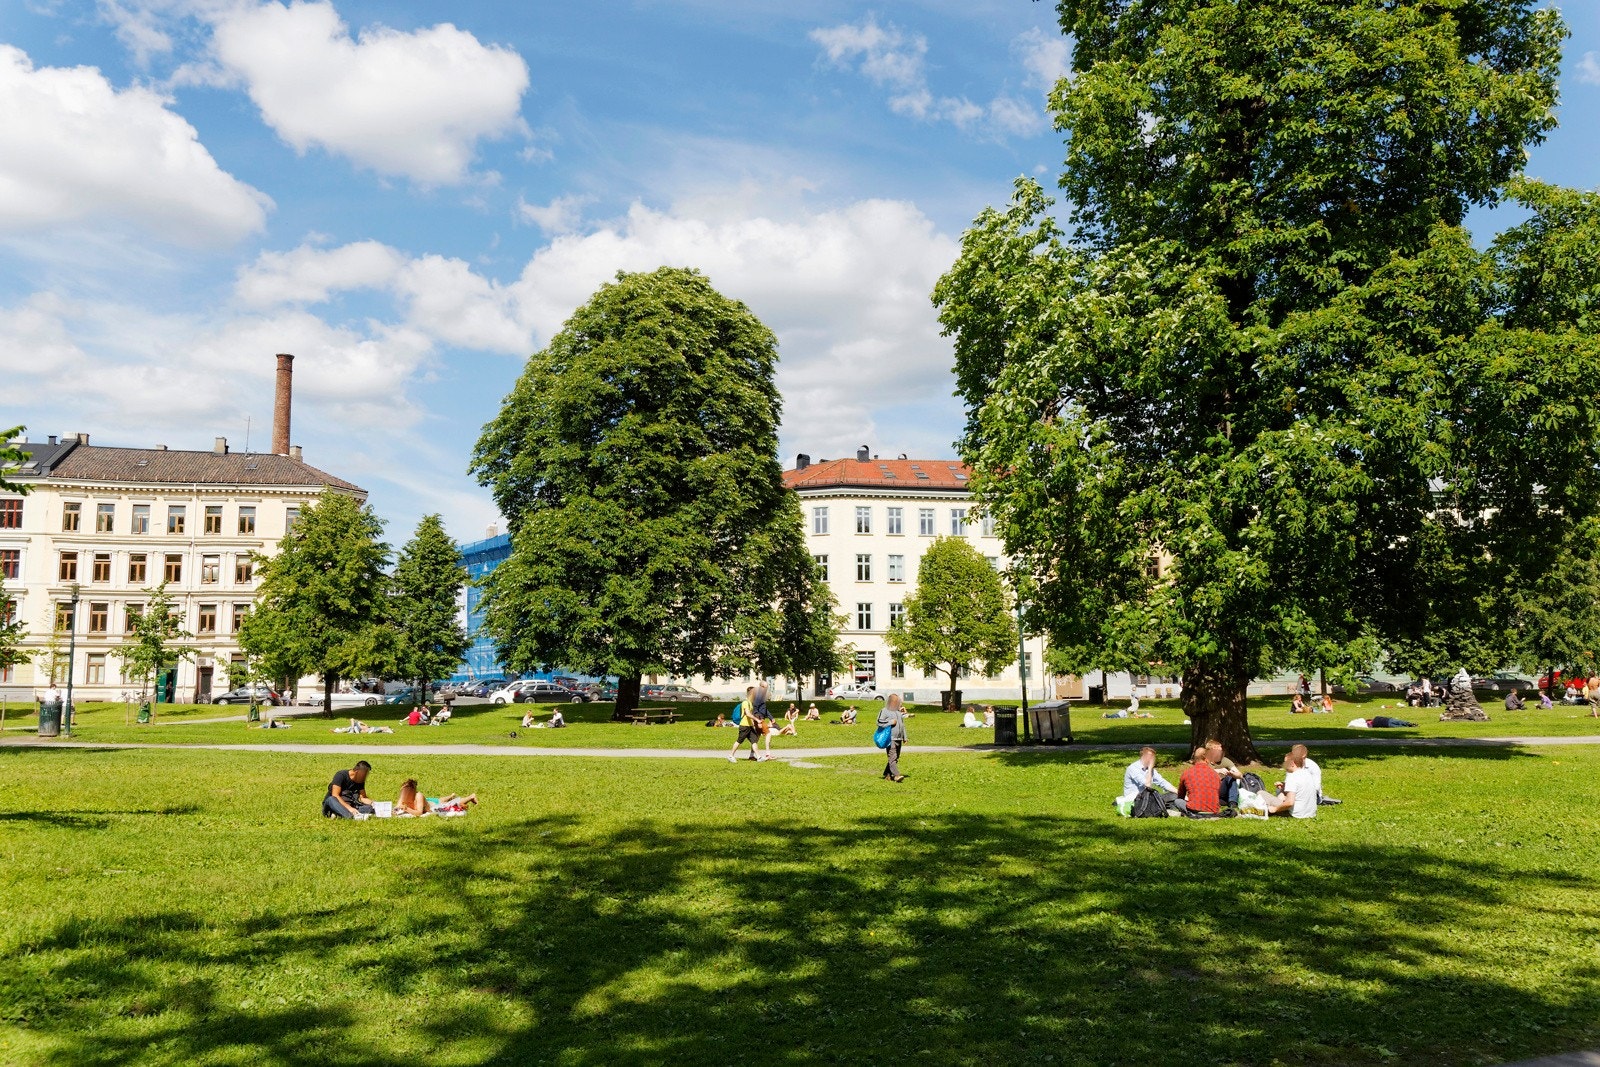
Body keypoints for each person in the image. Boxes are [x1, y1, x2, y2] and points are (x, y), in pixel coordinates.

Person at [1122, 746, 1184, 812]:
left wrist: (1181, 794)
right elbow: (1147, 785)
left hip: (1148, 798)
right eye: (1153, 758)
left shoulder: (1150, 769)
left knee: (1174, 795)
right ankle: (1165, 808)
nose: (1154, 760)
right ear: (1148, 757)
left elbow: (1163, 783)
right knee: (1165, 801)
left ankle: (1167, 808)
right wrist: (1150, 768)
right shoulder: (1133, 768)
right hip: (1135, 800)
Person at [1267, 754, 1318, 818]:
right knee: (1280, 794)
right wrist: (1284, 787)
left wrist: (1274, 809)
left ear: (1292, 763)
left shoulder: (1292, 777)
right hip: (1310, 813)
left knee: (1261, 793)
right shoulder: (1306, 773)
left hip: (1295, 814)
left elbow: (1290, 802)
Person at [1177, 747, 1222, 815]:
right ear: (1206, 759)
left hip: (1194, 809)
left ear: (1195, 759)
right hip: (1214, 810)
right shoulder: (1215, 774)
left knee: (1177, 801)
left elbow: (1181, 795)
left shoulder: (1187, 773)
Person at [1204, 740, 1244, 808]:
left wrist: (1232, 774)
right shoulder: (1204, 761)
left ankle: (1233, 803)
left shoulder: (1224, 760)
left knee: (1230, 778)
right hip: (1207, 789)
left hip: (1221, 789)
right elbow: (1200, 773)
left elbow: (1240, 775)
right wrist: (1217, 771)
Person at [728, 686, 764, 763]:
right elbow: (748, 714)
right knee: (739, 740)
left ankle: (759, 757)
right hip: (744, 726)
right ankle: (731, 755)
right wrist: (757, 720)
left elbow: (750, 715)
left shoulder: (750, 703)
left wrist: (753, 724)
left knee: (754, 740)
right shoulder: (745, 702)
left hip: (749, 726)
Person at [879, 692, 908, 782]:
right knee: (892, 756)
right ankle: (896, 775)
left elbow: (902, 725)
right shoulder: (884, 711)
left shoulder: (898, 713)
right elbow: (879, 722)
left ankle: (887, 774)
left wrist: (905, 737)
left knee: (895, 757)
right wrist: (891, 722)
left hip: (899, 738)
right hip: (890, 738)